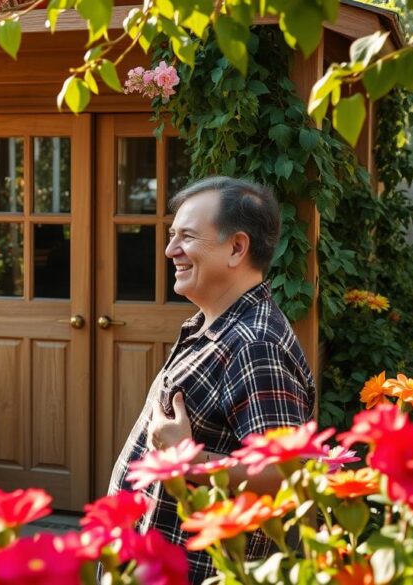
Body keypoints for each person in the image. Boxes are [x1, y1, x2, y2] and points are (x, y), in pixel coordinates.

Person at [108, 176, 315, 584]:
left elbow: (289, 473)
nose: (170, 251)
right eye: (171, 236)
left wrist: (192, 461)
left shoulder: (256, 344)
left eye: (186, 237)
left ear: (237, 248)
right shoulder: (215, 324)